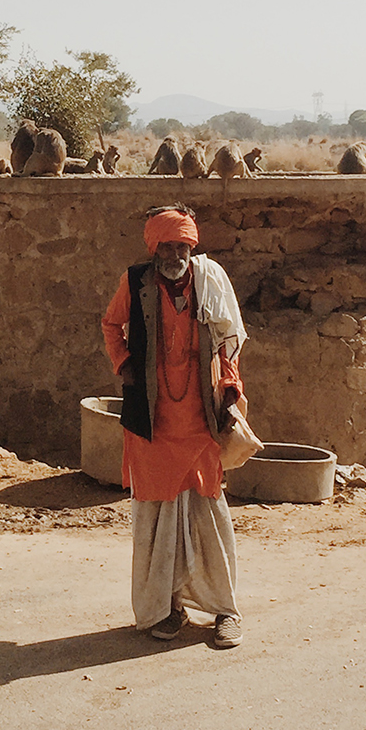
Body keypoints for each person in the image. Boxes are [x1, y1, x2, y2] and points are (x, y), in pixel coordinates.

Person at [101, 203, 248, 648]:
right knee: (155, 519)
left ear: (191, 245)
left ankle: (225, 610)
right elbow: (111, 324)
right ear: (154, 247)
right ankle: (166, 610)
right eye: (166, 245)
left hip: (200, 423)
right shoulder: (135, 282)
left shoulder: (209, 283)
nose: (174, 254)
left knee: (210, 517)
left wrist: (230, 391)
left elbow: (227, 345)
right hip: (152, 425)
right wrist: (124, 365)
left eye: (181, 245)